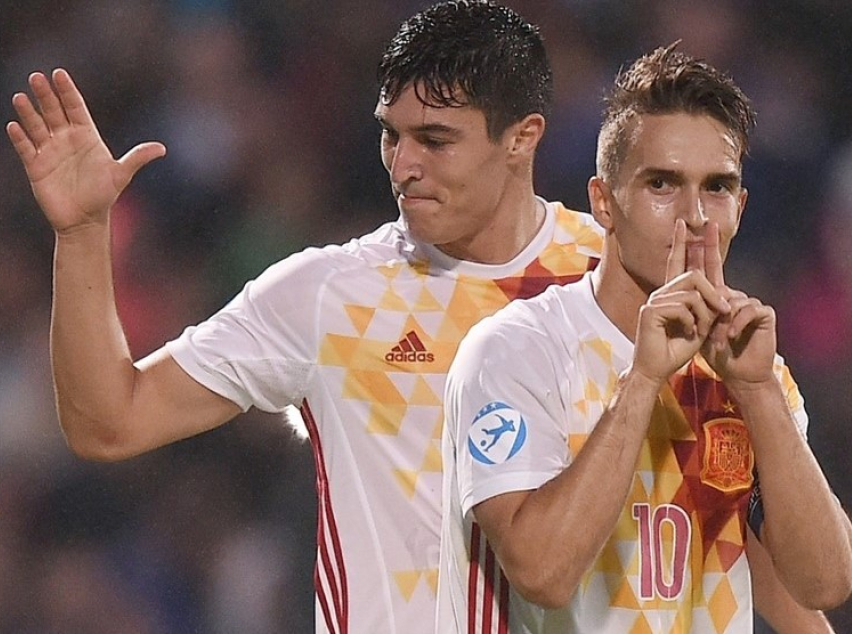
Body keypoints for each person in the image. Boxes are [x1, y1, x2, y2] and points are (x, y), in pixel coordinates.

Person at [5, 1, 603, 632]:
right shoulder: (330, 297)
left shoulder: (614, 284)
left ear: (523, 137)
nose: (403, 167)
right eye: (390, 134)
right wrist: (81, 232)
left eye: (435, 139)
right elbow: (108, 422)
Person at [438, 44, 852, 633]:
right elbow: (543, 573)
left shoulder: (751, 367)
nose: (693, 216)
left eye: (716, 188)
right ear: (604, 203)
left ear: (739, 208)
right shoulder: (515, 351)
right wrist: (643, 379)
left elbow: (825, 583)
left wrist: (759, 390)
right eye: (662, 184)